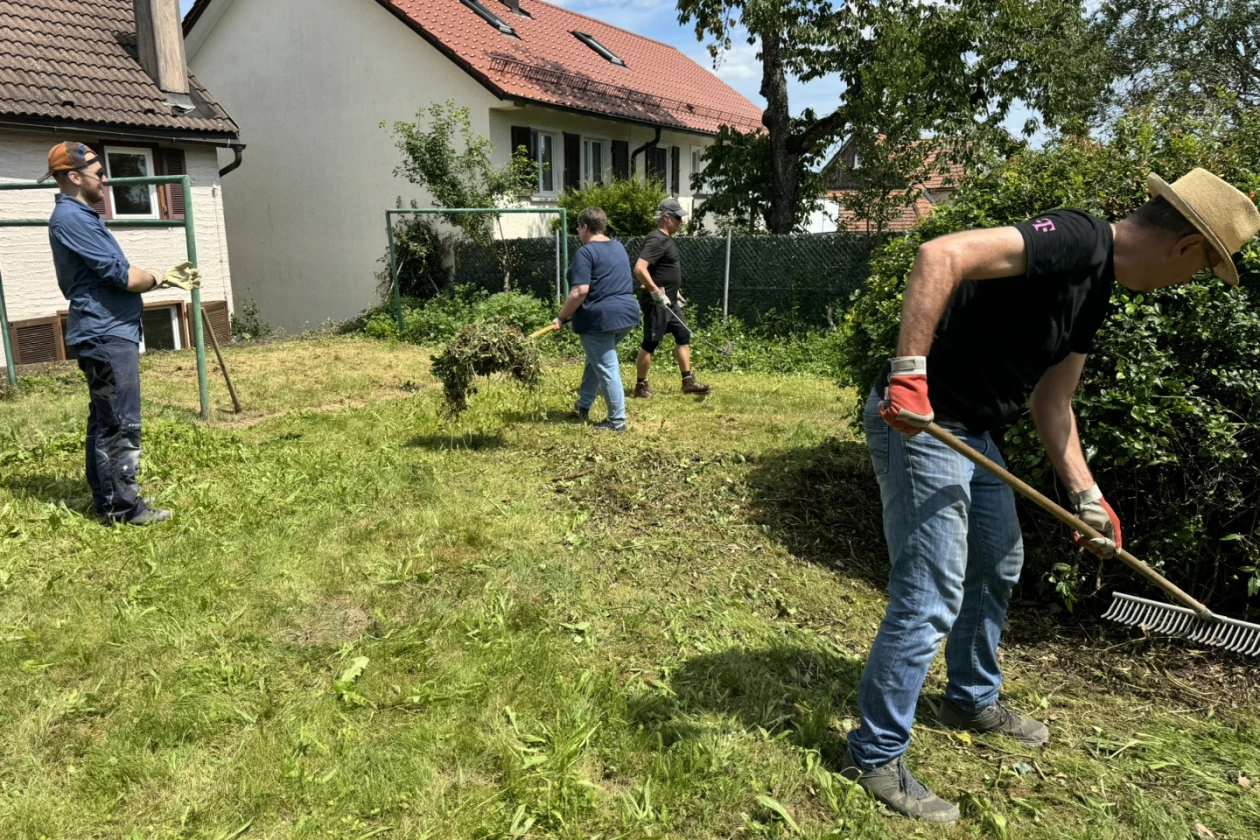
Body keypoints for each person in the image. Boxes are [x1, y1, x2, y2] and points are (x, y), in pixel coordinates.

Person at [843, 169, 1260, 823]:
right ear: (1185, 248)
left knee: (998, 561)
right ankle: (874, 754)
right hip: (922, 421)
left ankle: (970, 697)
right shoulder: (1074, 240)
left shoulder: (1096, 293)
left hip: (971, 428)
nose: (1187, 283)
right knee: (931, 591)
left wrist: (1088, 496)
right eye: (1201, 270)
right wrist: (908, 377)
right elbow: (939, 255)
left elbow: (1054, 402)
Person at [42, 142, 202, 526]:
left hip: (106, 332)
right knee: (119, 423)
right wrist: (163, 277)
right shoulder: (72, 219)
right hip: (104, 334)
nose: (106, 180)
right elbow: (122, 276)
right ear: (75, 177)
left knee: (105, 420)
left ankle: (112, 502)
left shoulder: (81, 216)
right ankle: (123, 508)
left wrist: (159, 282)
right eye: (100, 173)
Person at [551, 207, 641, 432]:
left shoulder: (586, 252)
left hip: (599, 320)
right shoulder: (618, 247)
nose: (578, 233)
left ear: (584, 227)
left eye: (578, 228)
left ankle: (617, 422)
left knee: (607, 366)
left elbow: (579, 291)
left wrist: (562, 317)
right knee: (596, 361)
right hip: (627, 315)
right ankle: (583, 405)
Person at [632, 198, 712, 398]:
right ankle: (641, 386)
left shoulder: (666, 240)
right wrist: (656, 292)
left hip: (671, 301)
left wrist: (673, 291)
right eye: (677, 218)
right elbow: (640, 269)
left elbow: (661, 270)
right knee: (650, 342)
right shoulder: (657, 239)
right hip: (658, 303)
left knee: (683, 336)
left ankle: (688, 382)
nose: (680, 222)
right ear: (666, 217)